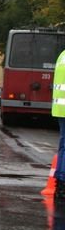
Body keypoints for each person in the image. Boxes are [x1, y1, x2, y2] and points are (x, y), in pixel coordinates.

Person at [53, 48, 65, 199]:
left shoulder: (62, 55)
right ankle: (62, 183)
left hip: (60, 108)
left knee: (63, 146)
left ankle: (60, 182)